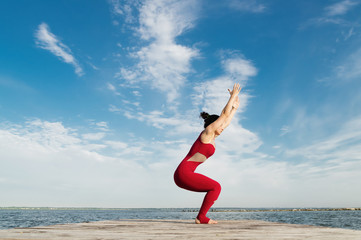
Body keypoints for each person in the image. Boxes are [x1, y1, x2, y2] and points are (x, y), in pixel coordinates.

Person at [174, 83, 242, 224]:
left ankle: (201, 217)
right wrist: (232, 97)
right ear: (213, 125)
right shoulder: (207, 133)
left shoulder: (213, 138)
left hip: (184, 174)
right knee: (216, 187)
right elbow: (224, 115)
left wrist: (235, 109)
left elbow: (226, 121)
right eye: (220, 125)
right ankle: (201, 217)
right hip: (183, 173)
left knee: (215, 187)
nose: (222, 127)